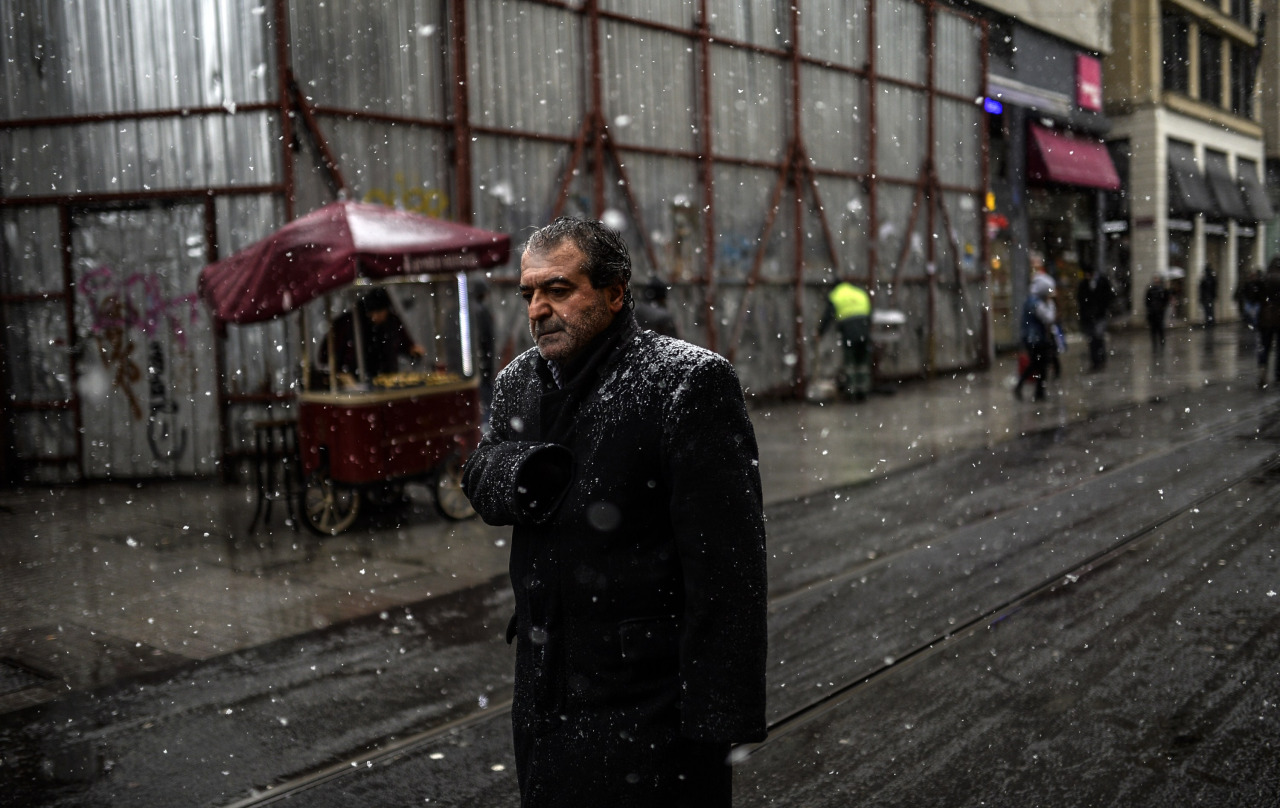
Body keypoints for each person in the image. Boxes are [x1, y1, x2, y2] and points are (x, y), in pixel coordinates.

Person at [461, 217, 767, 807]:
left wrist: (718, 726)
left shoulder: (686, 383)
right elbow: (481, 470)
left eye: (558, 289)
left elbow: (728, 572)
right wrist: (521, 473)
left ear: (615, 292)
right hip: (546, 688)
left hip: (648, 703)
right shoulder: (518, 380)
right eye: (529, 294)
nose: (538, 309)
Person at [319, 287, 424, 382]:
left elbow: (404, 343)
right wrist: (338, 372)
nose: (375, 317)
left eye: (379, 313)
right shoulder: (349, 322)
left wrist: (412, 350)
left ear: (387, 310)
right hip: (354, 378)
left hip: (387, 376)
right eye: (372, 313)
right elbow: (327, 353)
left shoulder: (391, 321)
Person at [817, 279, 873, 400]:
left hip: (849, 331)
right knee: (862, 362)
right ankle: (863, 390)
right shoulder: (859, 293)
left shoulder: (836, 295)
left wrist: (820, 332)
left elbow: (828, 315)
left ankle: (851, 391)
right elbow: (869, 313)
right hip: (864, 330)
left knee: (850, 362)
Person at [1014, 273, 1057, 401]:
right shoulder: (1036, 303)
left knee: (1037, 365)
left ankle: (1031, 389)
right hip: (1037, 339)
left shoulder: (1031, 301)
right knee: (1039, 365)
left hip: (1032, 339)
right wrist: (1051, 305)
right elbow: (1049, 317)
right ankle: (1038, 392)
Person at [1076, 266, 1115, 371]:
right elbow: (1081, 299)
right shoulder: (1084, 284)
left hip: (1099, 316)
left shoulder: (1102, 282)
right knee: (1092, 339)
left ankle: (1100, 360)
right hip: (1089, 317)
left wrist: (1102, 309)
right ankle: (1095, 361)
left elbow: (1107, 297)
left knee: (1098, 337)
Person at [471, 277, 496, 425]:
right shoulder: (481, 312)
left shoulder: (473, 311)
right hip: (483, 365)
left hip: (480, 363)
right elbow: (486, 340)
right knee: (486, 406)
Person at [1256, 257, 1280, 388]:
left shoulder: (1264, 279)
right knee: (1279, 349)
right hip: (1279, 318)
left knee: (1264, 346)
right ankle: (1278, 374)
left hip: (1265, 319)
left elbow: (1254, 296)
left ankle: (1262, 370)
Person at [1145, 274, 1172, 352]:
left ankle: (1161, 341)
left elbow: (1166, 299)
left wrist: (1162, 307)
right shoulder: (1151, 289)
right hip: (1153, 311)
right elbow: (1147, 300)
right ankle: (1155, 343)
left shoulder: (1162, 289)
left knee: (1160, 327)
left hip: (1159, 311)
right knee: (1154, 328)